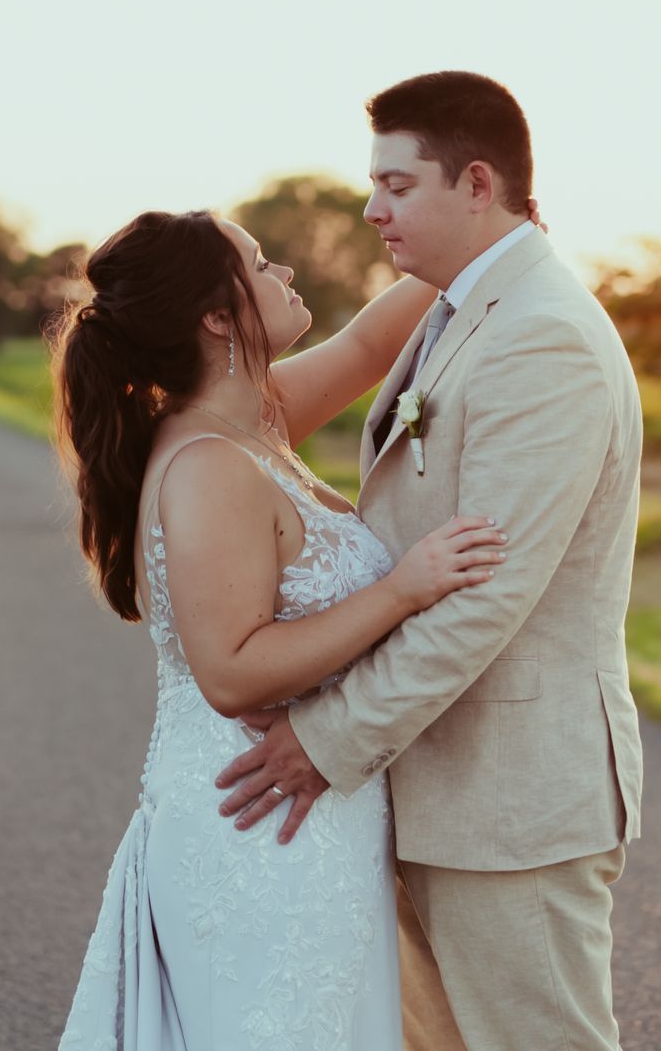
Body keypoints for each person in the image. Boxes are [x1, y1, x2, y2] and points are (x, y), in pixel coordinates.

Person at [216, 71, 646, 1051]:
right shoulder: (461, 312)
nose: (372, 211)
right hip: (442, 787)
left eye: (397, 186)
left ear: (478, 184)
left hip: (513, 799)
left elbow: (482, 600)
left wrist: (325, 739)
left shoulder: (544, 338)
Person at [49, 207, 509, 1049]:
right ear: (218, 317)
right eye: (261, 264)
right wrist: (401, 591)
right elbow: (230, 669)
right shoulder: (210, 466)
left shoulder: (252, 423)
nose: (286, 274)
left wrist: (489, 231)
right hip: (261, 821)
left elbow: (372, 347)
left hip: (305, 808)